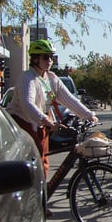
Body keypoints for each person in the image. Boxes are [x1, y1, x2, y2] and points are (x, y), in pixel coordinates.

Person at [8, 39, 96, 180]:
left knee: (43, 164)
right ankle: (32, 196)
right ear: (35, 58)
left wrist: (88, 115)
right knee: (32, 165)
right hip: (23, 124)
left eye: (51, 57)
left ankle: (41, 195)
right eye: (46, 57)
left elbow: (68, 99)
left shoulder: (51, 78)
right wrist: (46, 120)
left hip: (41, 125)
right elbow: (27, 104)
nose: (50, 60)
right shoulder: (28, 78)